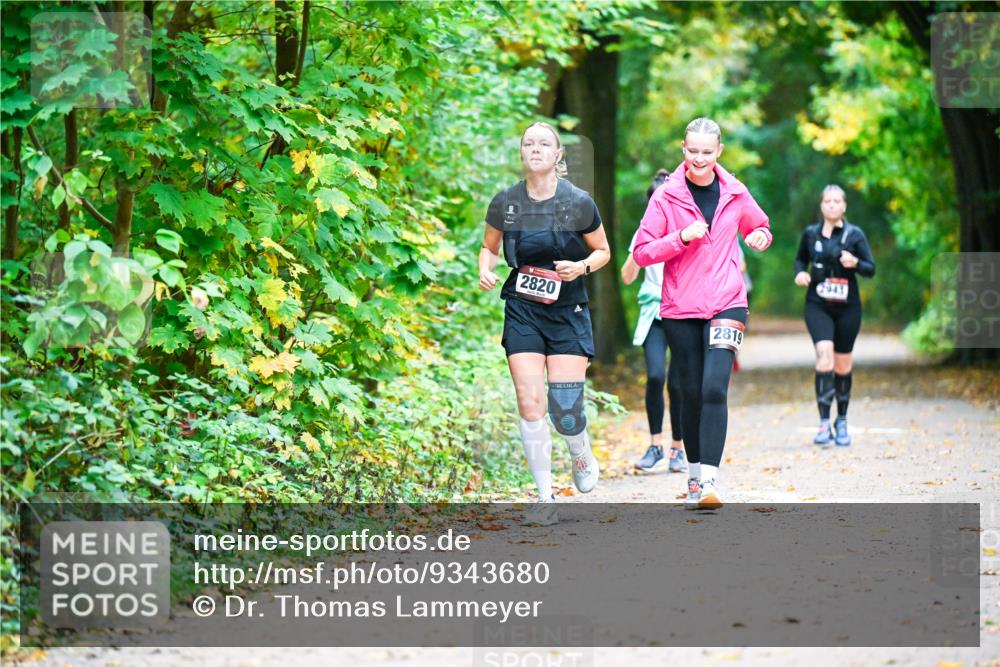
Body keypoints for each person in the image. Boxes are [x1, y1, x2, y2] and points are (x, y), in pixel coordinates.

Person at [633, 117, 772, 510]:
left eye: (706, 152)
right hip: (680, 305)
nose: (699, 158)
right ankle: (693, 475)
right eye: (692, 151)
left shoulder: (735, 191)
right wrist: (679, 238)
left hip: (728, 300)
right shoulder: (667, 196)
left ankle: (709, 480)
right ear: (683, 149)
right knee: (690, 392)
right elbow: (642, 251)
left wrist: (760, 235)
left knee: (714, 387)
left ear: (719, 152)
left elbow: (758, 225)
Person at [479, 121, 611, 525]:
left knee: (565, 407)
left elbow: (603, 251)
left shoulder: (579, 202)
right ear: (522, 154)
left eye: (544, 143)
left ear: (558, 155)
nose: (535, 148)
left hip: (568, 309)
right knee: (529, 401)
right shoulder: (505, 202)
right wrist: (484, 270)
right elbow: (489, 246)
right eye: (528, 143)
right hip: (522, 307)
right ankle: (544, 496)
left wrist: (582, 266)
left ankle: (579, 449)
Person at [794, 184, 876, 447]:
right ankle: (822, 424)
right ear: (821, 205)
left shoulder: (855, 235)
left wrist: (856, 263)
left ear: (844, 206)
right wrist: (801, 273)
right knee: (824, 356)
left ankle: (841, 421)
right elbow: (799, 260)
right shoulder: (810, 234)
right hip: (818, 305)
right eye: (827, 201)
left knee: (842, 365)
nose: (832, 205)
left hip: (848, 308)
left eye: (837, 201)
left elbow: (870, 268)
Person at [621, 169, 687, 473]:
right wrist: (639, 251)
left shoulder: (686, 230)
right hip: (653, 314)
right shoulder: (642, 233)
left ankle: (678, 449)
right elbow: (626, 276)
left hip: (683, 311)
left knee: (678, 383)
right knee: (657, 375)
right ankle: (655, 445)